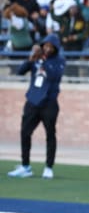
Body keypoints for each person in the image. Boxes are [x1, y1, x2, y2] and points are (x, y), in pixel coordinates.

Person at [8, 35, 65, 179]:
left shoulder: (59, 60)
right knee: (25, 133)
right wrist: (30, 59)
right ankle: (25, 166)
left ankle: (48, 167)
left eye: (50, 47)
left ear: (55, 48)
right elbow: (20, 71)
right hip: (33, 101)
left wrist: (43, 61)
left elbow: (54, 76)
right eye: (45, 46)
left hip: (49, 103)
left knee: (50, 135)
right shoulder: (36, 57)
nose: (47, 49)